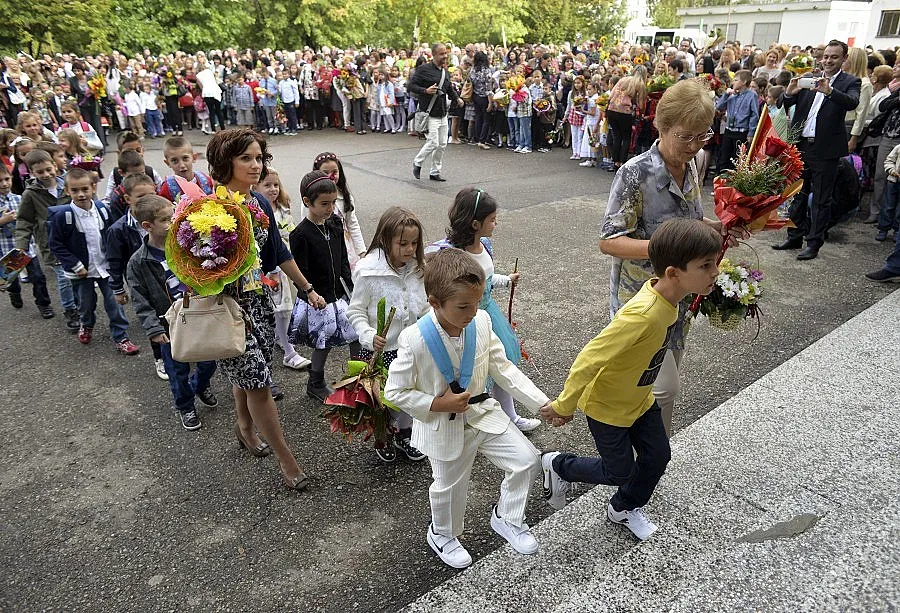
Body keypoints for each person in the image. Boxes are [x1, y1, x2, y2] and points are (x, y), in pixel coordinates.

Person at [541, 218, 721, 540]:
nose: (715, 272)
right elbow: (590, 357)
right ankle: (559, 466)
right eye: (706, 265)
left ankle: (623, 507)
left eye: (715, 263)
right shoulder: (642, 315)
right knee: (618, 471)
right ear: (673, 273)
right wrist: (564, 405)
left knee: (658, 456)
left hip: (639, 400)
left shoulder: (670, 299)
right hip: (608, 409)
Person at [384, 248, 552, 569]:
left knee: (526, 460)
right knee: (450, 486)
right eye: (463, 306)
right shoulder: (414, 339)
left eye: (476, 302)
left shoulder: (483, 321)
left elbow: (503, 369)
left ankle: (507, 516)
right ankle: (442, 534)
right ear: (435, 303)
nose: (473, 311)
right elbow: (395, 391)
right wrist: (437, 402)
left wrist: (541, 403)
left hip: (483, 411)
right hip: (442, 421)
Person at [599, 79, 737, 436]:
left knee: (663, 386)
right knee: (657, 386)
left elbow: (691, 220)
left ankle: (654, 458)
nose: (693, 146)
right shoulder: (635, 173)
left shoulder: (690, 164)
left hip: (680, 297)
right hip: (641, 301)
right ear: (661, 127)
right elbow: (610, 241)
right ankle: (638, 457)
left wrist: (719, 228)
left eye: (702, 136)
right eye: (685, 136)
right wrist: (672, 246)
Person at [206, 127, 322, 491]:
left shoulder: (258, 203)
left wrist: (307, 288)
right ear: (226, 161)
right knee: (259, 382)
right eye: (246, 158)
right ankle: (287, 460)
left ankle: (244, 427)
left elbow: (279, 252)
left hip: (258, 302)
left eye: (259, 158)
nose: (255, 165)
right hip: (225, 307)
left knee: (255, 374)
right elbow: (194, 265)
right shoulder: (207, 210)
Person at [427, 188, 541, 432]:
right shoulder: (454, 255)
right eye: (492, 219)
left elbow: (484, 280)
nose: (496, 223)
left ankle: (509, 415)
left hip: (489, 312)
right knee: (469, 366)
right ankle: (470, 416)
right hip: (466, 316)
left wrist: (506, 280)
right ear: (475, 223)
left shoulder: (485, 245)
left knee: (503, 360)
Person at [127, 194, 218, 431]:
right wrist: (153, 329)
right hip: (169, 324)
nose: (173, 222)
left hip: (197, 316)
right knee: (177, 370)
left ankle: (199, 386)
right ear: (148, 226)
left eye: (173, 216)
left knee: (209, 361)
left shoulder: (184, 246)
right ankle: (185, 405)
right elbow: (139, 299)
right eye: (166, 220)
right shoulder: (139, 262)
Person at [347, 206, 429, 463]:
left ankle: (406, 433)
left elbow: (424, 306)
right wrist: (370, 335)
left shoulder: (417, 269)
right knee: (383, 400)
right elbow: (356, 311)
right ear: (385, 239)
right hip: (382, 350)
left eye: (414, 243)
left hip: (412, 348)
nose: (409, 249)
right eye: (402, 243)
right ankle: (383, 435)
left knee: (411, 393)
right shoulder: (368, 271)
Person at [775, 40, 861, 260]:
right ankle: (794, 236)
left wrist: (829, 90)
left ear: (844, 59)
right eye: (826, 56)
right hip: (802, 146)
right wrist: (789, 92)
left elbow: (852, 102)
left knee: (822, 199)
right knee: (797, 195)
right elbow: (784, 104)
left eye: (834, 57)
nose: (828, 61)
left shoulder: (850, 81)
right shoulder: (809, 77)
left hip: (826, 150)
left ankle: (813, 244)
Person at [47, 167, 140, 355]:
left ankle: (121, 336)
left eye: (84, 189)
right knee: (85, 304)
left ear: (93, 187)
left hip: (105, 268)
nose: (81, 194)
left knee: (114, 303)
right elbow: (56, 245)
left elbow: (113, 235)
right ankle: (87, 324)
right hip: (81, 271)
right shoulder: (63, 216)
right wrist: (75, 264)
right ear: (67, 191)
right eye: (75, 190)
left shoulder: (103, 210)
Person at [288, 170, 361, 401]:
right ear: (307, 202)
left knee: (356, 334)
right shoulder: (300, 234)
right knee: (323, 340)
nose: (330, 208)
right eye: (324, 204)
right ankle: (315, 382)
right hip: (317, 297)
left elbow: (342, 260)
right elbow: (298, 272)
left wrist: (351, 286)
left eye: (333, 202)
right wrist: (310, 293)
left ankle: (360, 379)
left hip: (340, 293)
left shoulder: (335, 223)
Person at [105, 173, 165, 378]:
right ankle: (160, 357)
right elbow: (114, 261)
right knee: (152, 318)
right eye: (140, 197)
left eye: (152, 194)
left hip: (165, 276)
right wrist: (118, 289)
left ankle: (182, 349)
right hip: (141, 279)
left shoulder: (162, 220)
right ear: (127, 199)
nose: (148, 201)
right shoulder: (119, 229)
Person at [255, 168, 311, 374]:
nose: (273, 189)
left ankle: (282, 337)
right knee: (281, 307)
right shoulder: (257, 212)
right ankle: (289, 352)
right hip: (270, 268)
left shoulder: (283, 208)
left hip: (286, 264)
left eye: (276, 185)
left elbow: (290, 233)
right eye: (267, 185)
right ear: (255, 187)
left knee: (286, 306)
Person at [14, 149, 74, 325]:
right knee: (64, 278)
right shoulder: (31, 194)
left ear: (54, 165)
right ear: (32, 173)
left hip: (73, 239)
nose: (46, 175)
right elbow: (24, 220)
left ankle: (81, 305)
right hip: (50, 242)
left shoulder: (68, 185)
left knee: (77, 276)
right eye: (40, 172)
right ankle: (70, 309)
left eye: (49, 169)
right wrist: (21, 244)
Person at [0, 163, 52, 315]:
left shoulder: (20, 198)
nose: (4, 184)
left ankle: (44, 304)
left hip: (26, 248)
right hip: (6, 250)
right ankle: (14, 292)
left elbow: (30, 217)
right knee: (12, 281)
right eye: (0, 181)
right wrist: (3, 221)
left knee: (38, 277)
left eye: (7, 179)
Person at [410, 43, 461, 182]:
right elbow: (411, 86)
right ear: (434, 55)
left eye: (446, 53)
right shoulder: (423, 70)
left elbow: (449, 88)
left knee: (442, 144)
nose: (445, 56)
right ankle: (417, 163)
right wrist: (425, 91)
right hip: (429, 112)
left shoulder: (445, 71)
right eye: (441, 54)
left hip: (443, 112)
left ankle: (435, 171)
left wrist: (457, 98)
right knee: (433, 142)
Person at [311, 152, 366, 269]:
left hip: (346, 247)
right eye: (325, 173)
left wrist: (361, 251)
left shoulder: (346, 197)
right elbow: (308, 226)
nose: (331, 176)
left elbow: (352, 224)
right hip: (324, 247)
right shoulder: (311, 200)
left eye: (334, 172)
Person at [716, 70, 760, 173]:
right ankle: (722, 182)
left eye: (736, 80)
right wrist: (726, 95)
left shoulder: (751, 95)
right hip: (729, 130)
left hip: (741, 131)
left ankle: (734, 184)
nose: (733, 82)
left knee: (737, 159)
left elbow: (754, 115)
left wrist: (751, 133)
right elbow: (719, 107)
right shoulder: (732, 95)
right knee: (724, 158)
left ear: (744, 82)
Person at [156, 136, 215, 203]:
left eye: (185, 158)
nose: (182, 165)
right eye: (174, 160)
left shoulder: (206, 180)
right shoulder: (167, 188)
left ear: (194, 157)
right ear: (168, 163)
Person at [876, 142, 900, 242]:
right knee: (887, 206)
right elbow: (889, 161)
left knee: (899, 209)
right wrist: (892, 170)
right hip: (894, 181)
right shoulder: (898, 148)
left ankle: (897, 230)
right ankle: (883, 228)